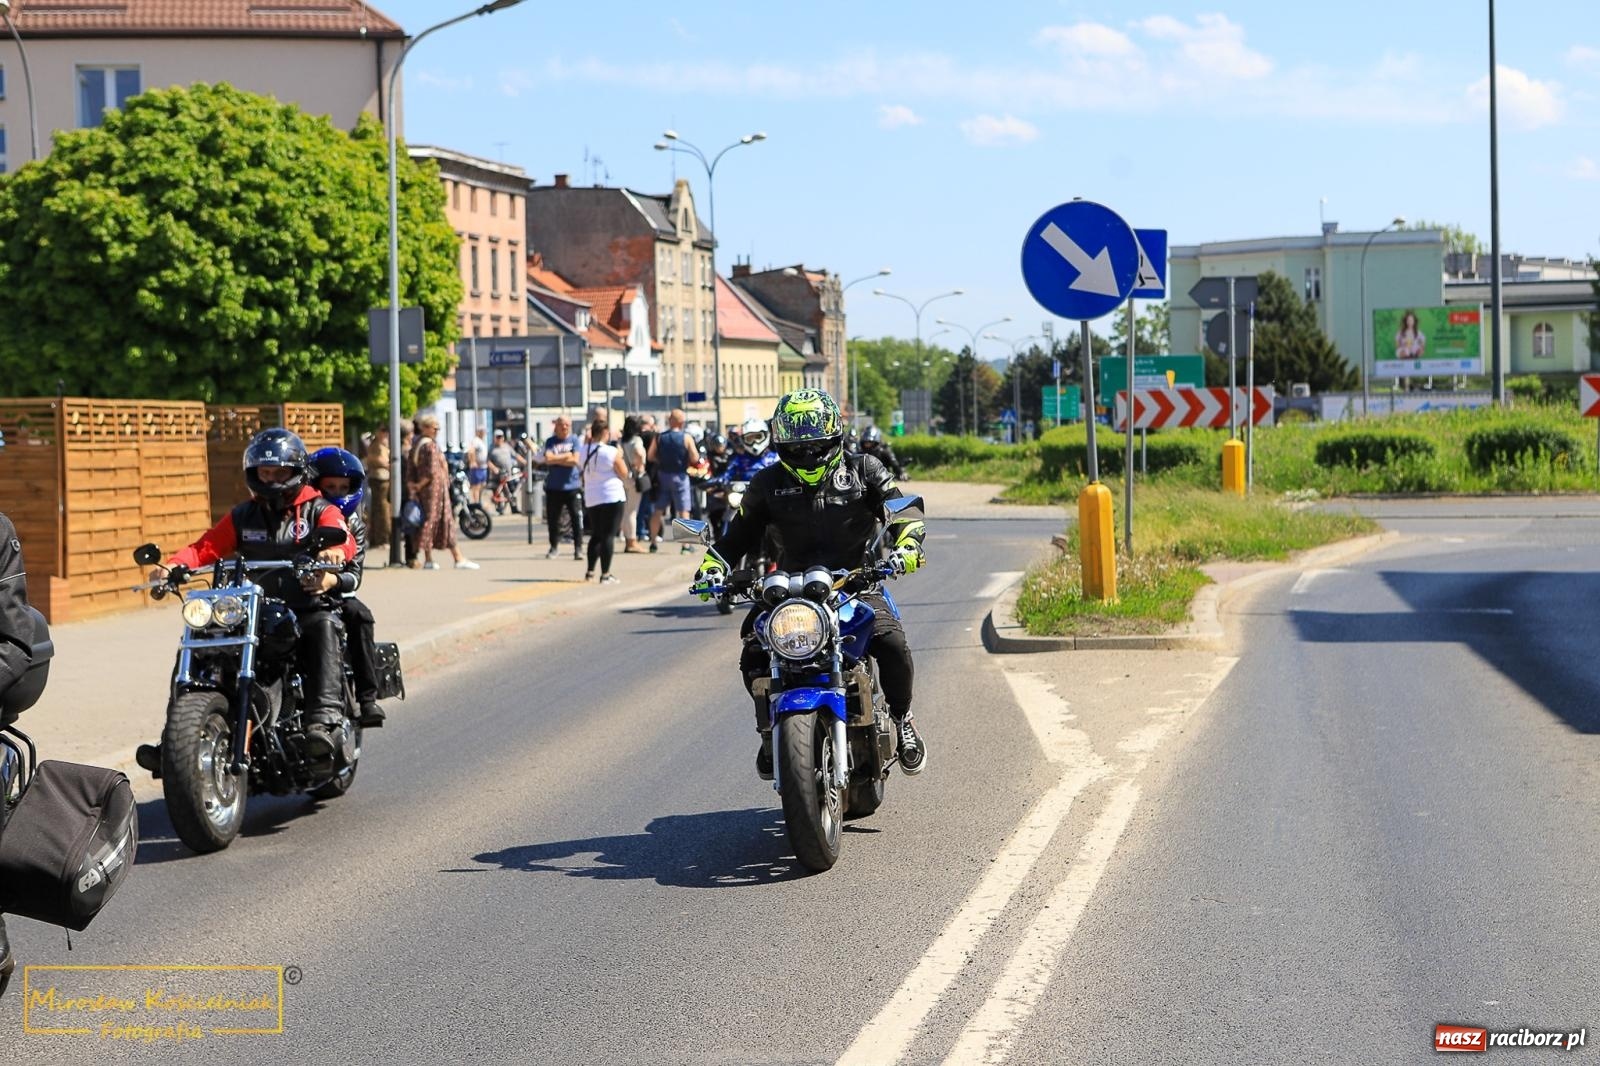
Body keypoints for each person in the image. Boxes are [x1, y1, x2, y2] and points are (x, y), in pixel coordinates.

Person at [694, 389, 928, 779]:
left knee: (891, 642)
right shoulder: (766, 482)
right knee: (754, 652)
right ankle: (770, 732)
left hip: (855, 582)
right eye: (796, 442)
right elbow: (735, 537)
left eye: (814, 441)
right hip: (790, 588)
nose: (806, 450)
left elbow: (904, 512)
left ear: (834, 433)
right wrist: (711, 568)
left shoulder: (865, 469)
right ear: (781, 439)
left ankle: (903, 717)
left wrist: (907, 545)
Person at [140, 429, 356, 764]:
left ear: (296, 472)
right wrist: (172, 566)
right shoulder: (244, 515)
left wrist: (334, 551)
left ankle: (323, 721)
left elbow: (341, 535)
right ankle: (176, 735)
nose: (270, 480)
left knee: (324, 626)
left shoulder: (317, 508)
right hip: (248, 607)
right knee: (200, 641)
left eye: (279, 473)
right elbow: (206, 547)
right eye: (264, 473)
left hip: (303, 603)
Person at [308, 447, 386, 728]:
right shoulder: (303, 516)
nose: (338, 493)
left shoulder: (355, 524)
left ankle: (367, 699)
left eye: (344, 487)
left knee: (359, 615)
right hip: (296, 594)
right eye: (330, 487)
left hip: (336, 595)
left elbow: (355, 576)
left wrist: (333, 580)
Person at [407, 414, 478, 571]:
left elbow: (411, 469)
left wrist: (414, 486)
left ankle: (430, 558)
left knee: (429, 521)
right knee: (440, 520)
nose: (437, 431)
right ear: (425, 428)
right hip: (435, 491)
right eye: (435, 428)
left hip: (426, 491)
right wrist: (420, 485)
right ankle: (457, 557)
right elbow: (432, 471)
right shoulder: (430, 446)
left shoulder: (417, 444)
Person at [577, 417, 630, 584]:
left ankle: (590, 571)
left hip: (592, 497)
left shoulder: (584, 450)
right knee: (608, 536)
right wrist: (619, 455)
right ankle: (605, 573)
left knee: (596, 535)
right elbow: (624, 473)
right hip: (611, 496)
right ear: (605, 433)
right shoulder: (611, 452)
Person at [647, 408, 700, 553]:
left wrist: (661, 460)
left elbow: (650, 456)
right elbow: (695, 457)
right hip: (681, 476)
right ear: (682, 422)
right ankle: (685, 546)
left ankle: (653, 542)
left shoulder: (659, 437)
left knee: (658, 510)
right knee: (684, 511)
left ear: (669, 421)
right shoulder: (686, 437)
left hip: (663, 476)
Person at [540, 416, 584, 561]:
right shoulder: (550, 441)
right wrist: (566, 456)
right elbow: (548, 459)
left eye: (567, 425)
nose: (565, 427)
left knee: (576, 518)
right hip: (554, 487)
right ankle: (554, 547)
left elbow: (575, 461)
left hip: (572, 486)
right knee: (553, 520)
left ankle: (578, 549)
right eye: (562, 425)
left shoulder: (575, 440)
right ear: (556, 426)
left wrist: (557, 458)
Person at [619, 416, 648, 554]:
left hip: (623, 477)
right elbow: (639, 453)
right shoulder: (636, 440)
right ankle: (632, 542)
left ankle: (627, 539)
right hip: (634, 477)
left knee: (625, 511)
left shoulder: (621, 441)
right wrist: (640, 465)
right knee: (632, 511)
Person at [365, 426, 392, 557]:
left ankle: (379, 538)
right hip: (379, 479)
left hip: (383, 478)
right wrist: (387, 464)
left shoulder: (383, 444)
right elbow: (375, 459)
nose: (385, 433)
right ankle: (382, 538)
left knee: (381, 508)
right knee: (382, 509)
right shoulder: (376, 446)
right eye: (382, 430)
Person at [487, 429, 521, 515]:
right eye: (497, 437)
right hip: (497, 474)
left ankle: (514, 508)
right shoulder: (492, 448)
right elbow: (488, 461)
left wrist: (525, 462)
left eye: (500, 437)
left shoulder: (507, 446)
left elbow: (516, 455)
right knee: (497, 492)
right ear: (494, 438)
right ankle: (499, 509)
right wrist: (494, 468)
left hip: (508, 473)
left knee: (511, 490)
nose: (499, 439)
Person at [467, 426, 490, 504]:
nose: (484, 433)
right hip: (478, 468)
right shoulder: (476, 441)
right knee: (476, 487)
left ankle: (479, 502)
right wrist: (473, 462)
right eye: (483, 431)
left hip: (483, 467)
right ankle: (476, 503)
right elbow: (471, 451)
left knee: (482, 485)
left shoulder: (481, 441)